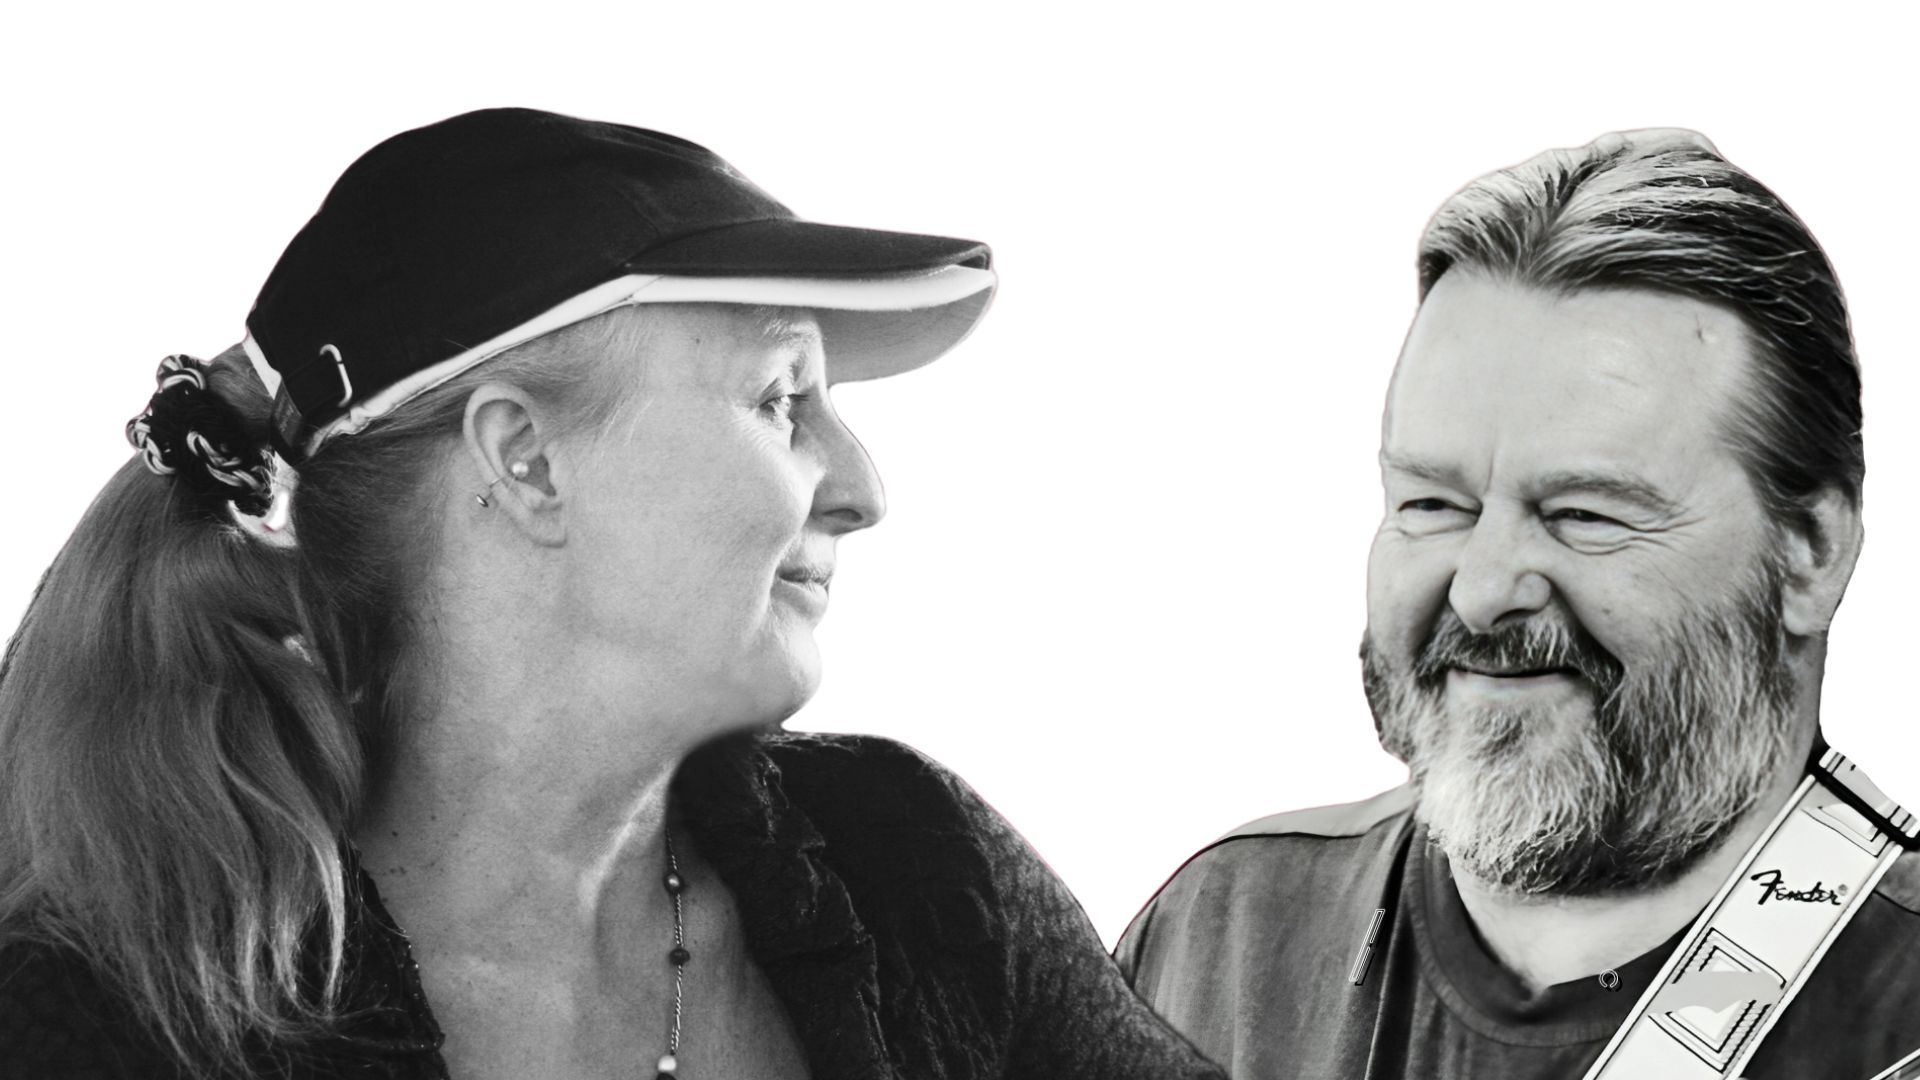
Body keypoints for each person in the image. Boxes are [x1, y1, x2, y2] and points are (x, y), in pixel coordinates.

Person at [0, 108, 1227, 1080]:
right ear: (527, 459)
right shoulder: (101, 1018)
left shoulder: (917, 871)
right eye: (781, 398)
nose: (862, 490)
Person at [1116, 129, 1920, 1078]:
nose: (1483, 589)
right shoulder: (1222, 938)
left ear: (1812, 553)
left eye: (1584, 514)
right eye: (1432, 505)